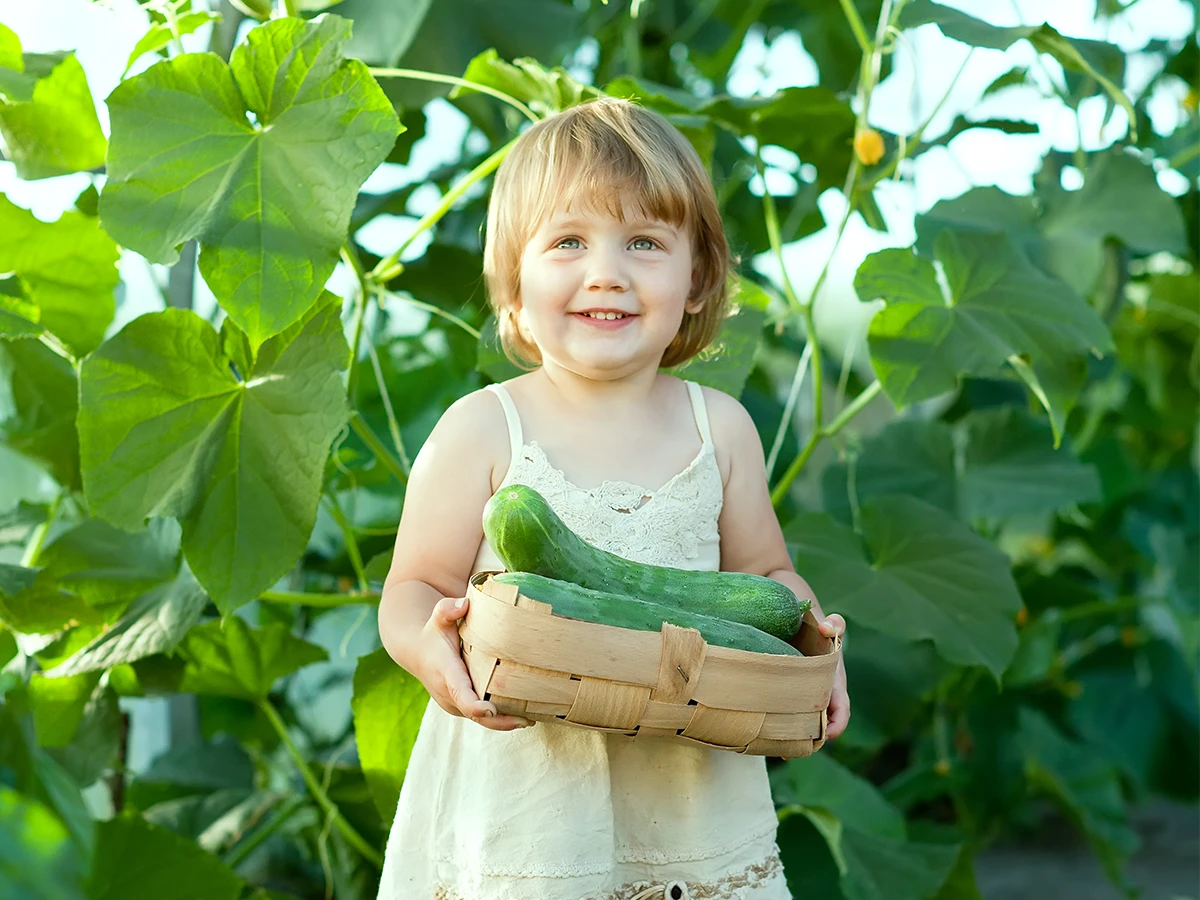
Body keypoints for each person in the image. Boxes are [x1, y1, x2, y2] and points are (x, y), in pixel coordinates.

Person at [375, 96, 849, 900]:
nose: (607, 272)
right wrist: (432, 654)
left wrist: (816, 647)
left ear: (696, 281)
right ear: (513, 288)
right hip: (528, 795)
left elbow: (768, 576)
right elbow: (410, 586)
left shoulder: (721, 429)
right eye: (568, 242)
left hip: (688, 794)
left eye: (644, 242)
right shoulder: (483, 430)